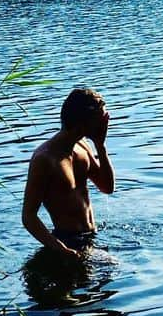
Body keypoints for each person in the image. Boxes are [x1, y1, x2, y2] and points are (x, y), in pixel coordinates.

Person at [21, 86, 114, 255]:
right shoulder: (45, 159)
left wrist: (101, 145)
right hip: (66, 242)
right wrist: (61, 249)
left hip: (91, 237)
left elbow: (107, 187)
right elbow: (28, 216)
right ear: (83, 123)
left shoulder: (82, 146)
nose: (105, 125)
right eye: (101, 121)